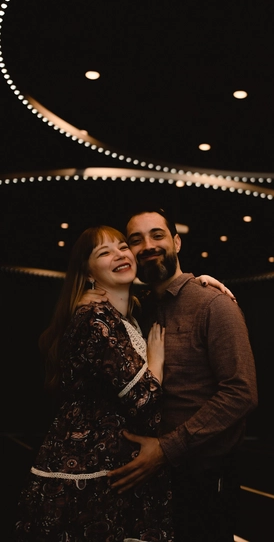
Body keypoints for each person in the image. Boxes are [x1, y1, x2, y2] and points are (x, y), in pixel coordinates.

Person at [82, 206, 258, 542]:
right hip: (151, 476)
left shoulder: (214, 304)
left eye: (157, 235)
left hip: (203, 473)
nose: (147, 245)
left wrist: (166, 448)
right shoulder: (138, 307)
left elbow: (241, 392)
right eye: (136, 240)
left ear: (176, 242)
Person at [14, 225, 173, 542]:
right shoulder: (94, 317)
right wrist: (156, 358)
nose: (120, 253)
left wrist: (201, 284)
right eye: (105, 252)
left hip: (118, 474)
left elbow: (170, 291)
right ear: (88, 272)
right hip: (91, 479)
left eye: (122, 246)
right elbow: (144, 398)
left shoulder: (126, 316)